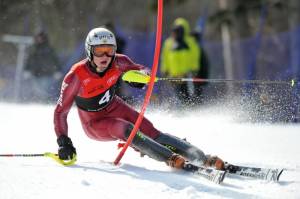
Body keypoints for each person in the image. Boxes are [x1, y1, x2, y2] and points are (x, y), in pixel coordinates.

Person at [54, 27, 224, 170]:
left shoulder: (119, 62)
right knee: (127, 129)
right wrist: (64, 142)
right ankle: (170, 158)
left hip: (114, 106)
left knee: (150, 131)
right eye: (99, 51)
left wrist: (139, 77)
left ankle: (201, 157)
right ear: (89, 50)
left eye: (110, 50)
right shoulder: (76, 76)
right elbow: (60, 112)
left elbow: (144, 71)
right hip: (94, 123)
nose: (105, 56)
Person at [160, 18, 200, 107]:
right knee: (177, 96)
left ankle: (191, 110)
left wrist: (194, 70)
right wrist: (165, 70)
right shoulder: (168, 43)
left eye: (180, 30)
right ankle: (180, 112)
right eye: (176, 30)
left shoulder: (190, 42)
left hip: (186, 75)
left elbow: (195, 56)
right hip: (173, 75)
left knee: (189, 96)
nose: (177, 33)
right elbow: (165, 57)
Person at [24, 30, 62, 102]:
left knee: (45, 90)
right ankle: (40, 101)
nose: (39, 39)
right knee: (37, 90)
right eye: (38, 37)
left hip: (47, 73)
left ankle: (44, 102)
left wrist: (58, 70)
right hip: (35, 73)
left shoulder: (49, 49)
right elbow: (29, 60)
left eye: (41, 37)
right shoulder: (33, 48)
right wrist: (26, 69)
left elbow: (56, 60)